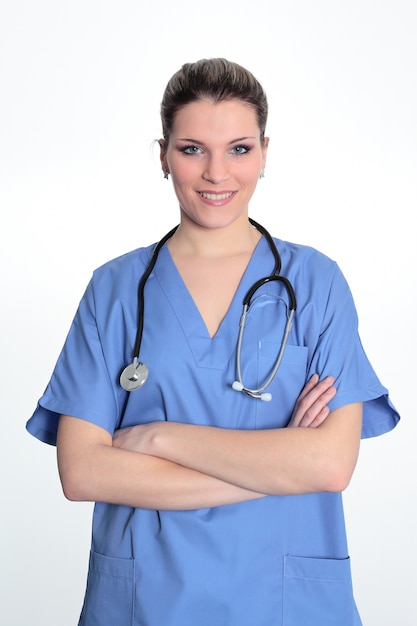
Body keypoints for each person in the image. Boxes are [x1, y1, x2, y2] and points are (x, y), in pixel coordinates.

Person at [27, 58, 399, 625]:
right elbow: (83, 473)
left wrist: (157, 437)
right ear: (163, 155)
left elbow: (328, 465)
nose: (216, 173)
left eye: (240, 149)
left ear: (266, 154)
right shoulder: (116, 289)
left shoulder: (317, 283)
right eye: (193, 148)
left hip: (285, 600)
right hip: (146, 600)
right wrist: (275, 468)